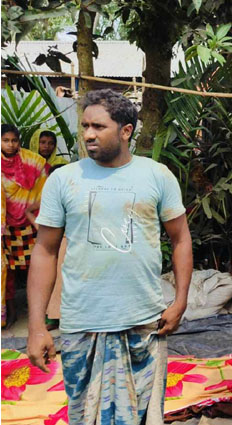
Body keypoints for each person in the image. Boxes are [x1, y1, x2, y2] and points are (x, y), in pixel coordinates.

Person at [26, 89, 193, 424]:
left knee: (142, 415)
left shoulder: (156, 176)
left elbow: (180, 239)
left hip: (143, 324)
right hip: (82, 324)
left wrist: (180, 301)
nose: (88, 134)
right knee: (84, 414)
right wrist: (35, 326)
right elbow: (44, 251)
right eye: (85, 126)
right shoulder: (63, 180)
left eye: (99, 127)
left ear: (126, 131)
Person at [2, 123, 47, 328]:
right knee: (7, 271)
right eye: (5, 140)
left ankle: (37, 311)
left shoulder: (33, 161)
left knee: (34, 268)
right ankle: (10, 312)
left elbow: (46, 185)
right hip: (4, 227)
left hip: (29, 224)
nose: (10, 145)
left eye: (14, 140)